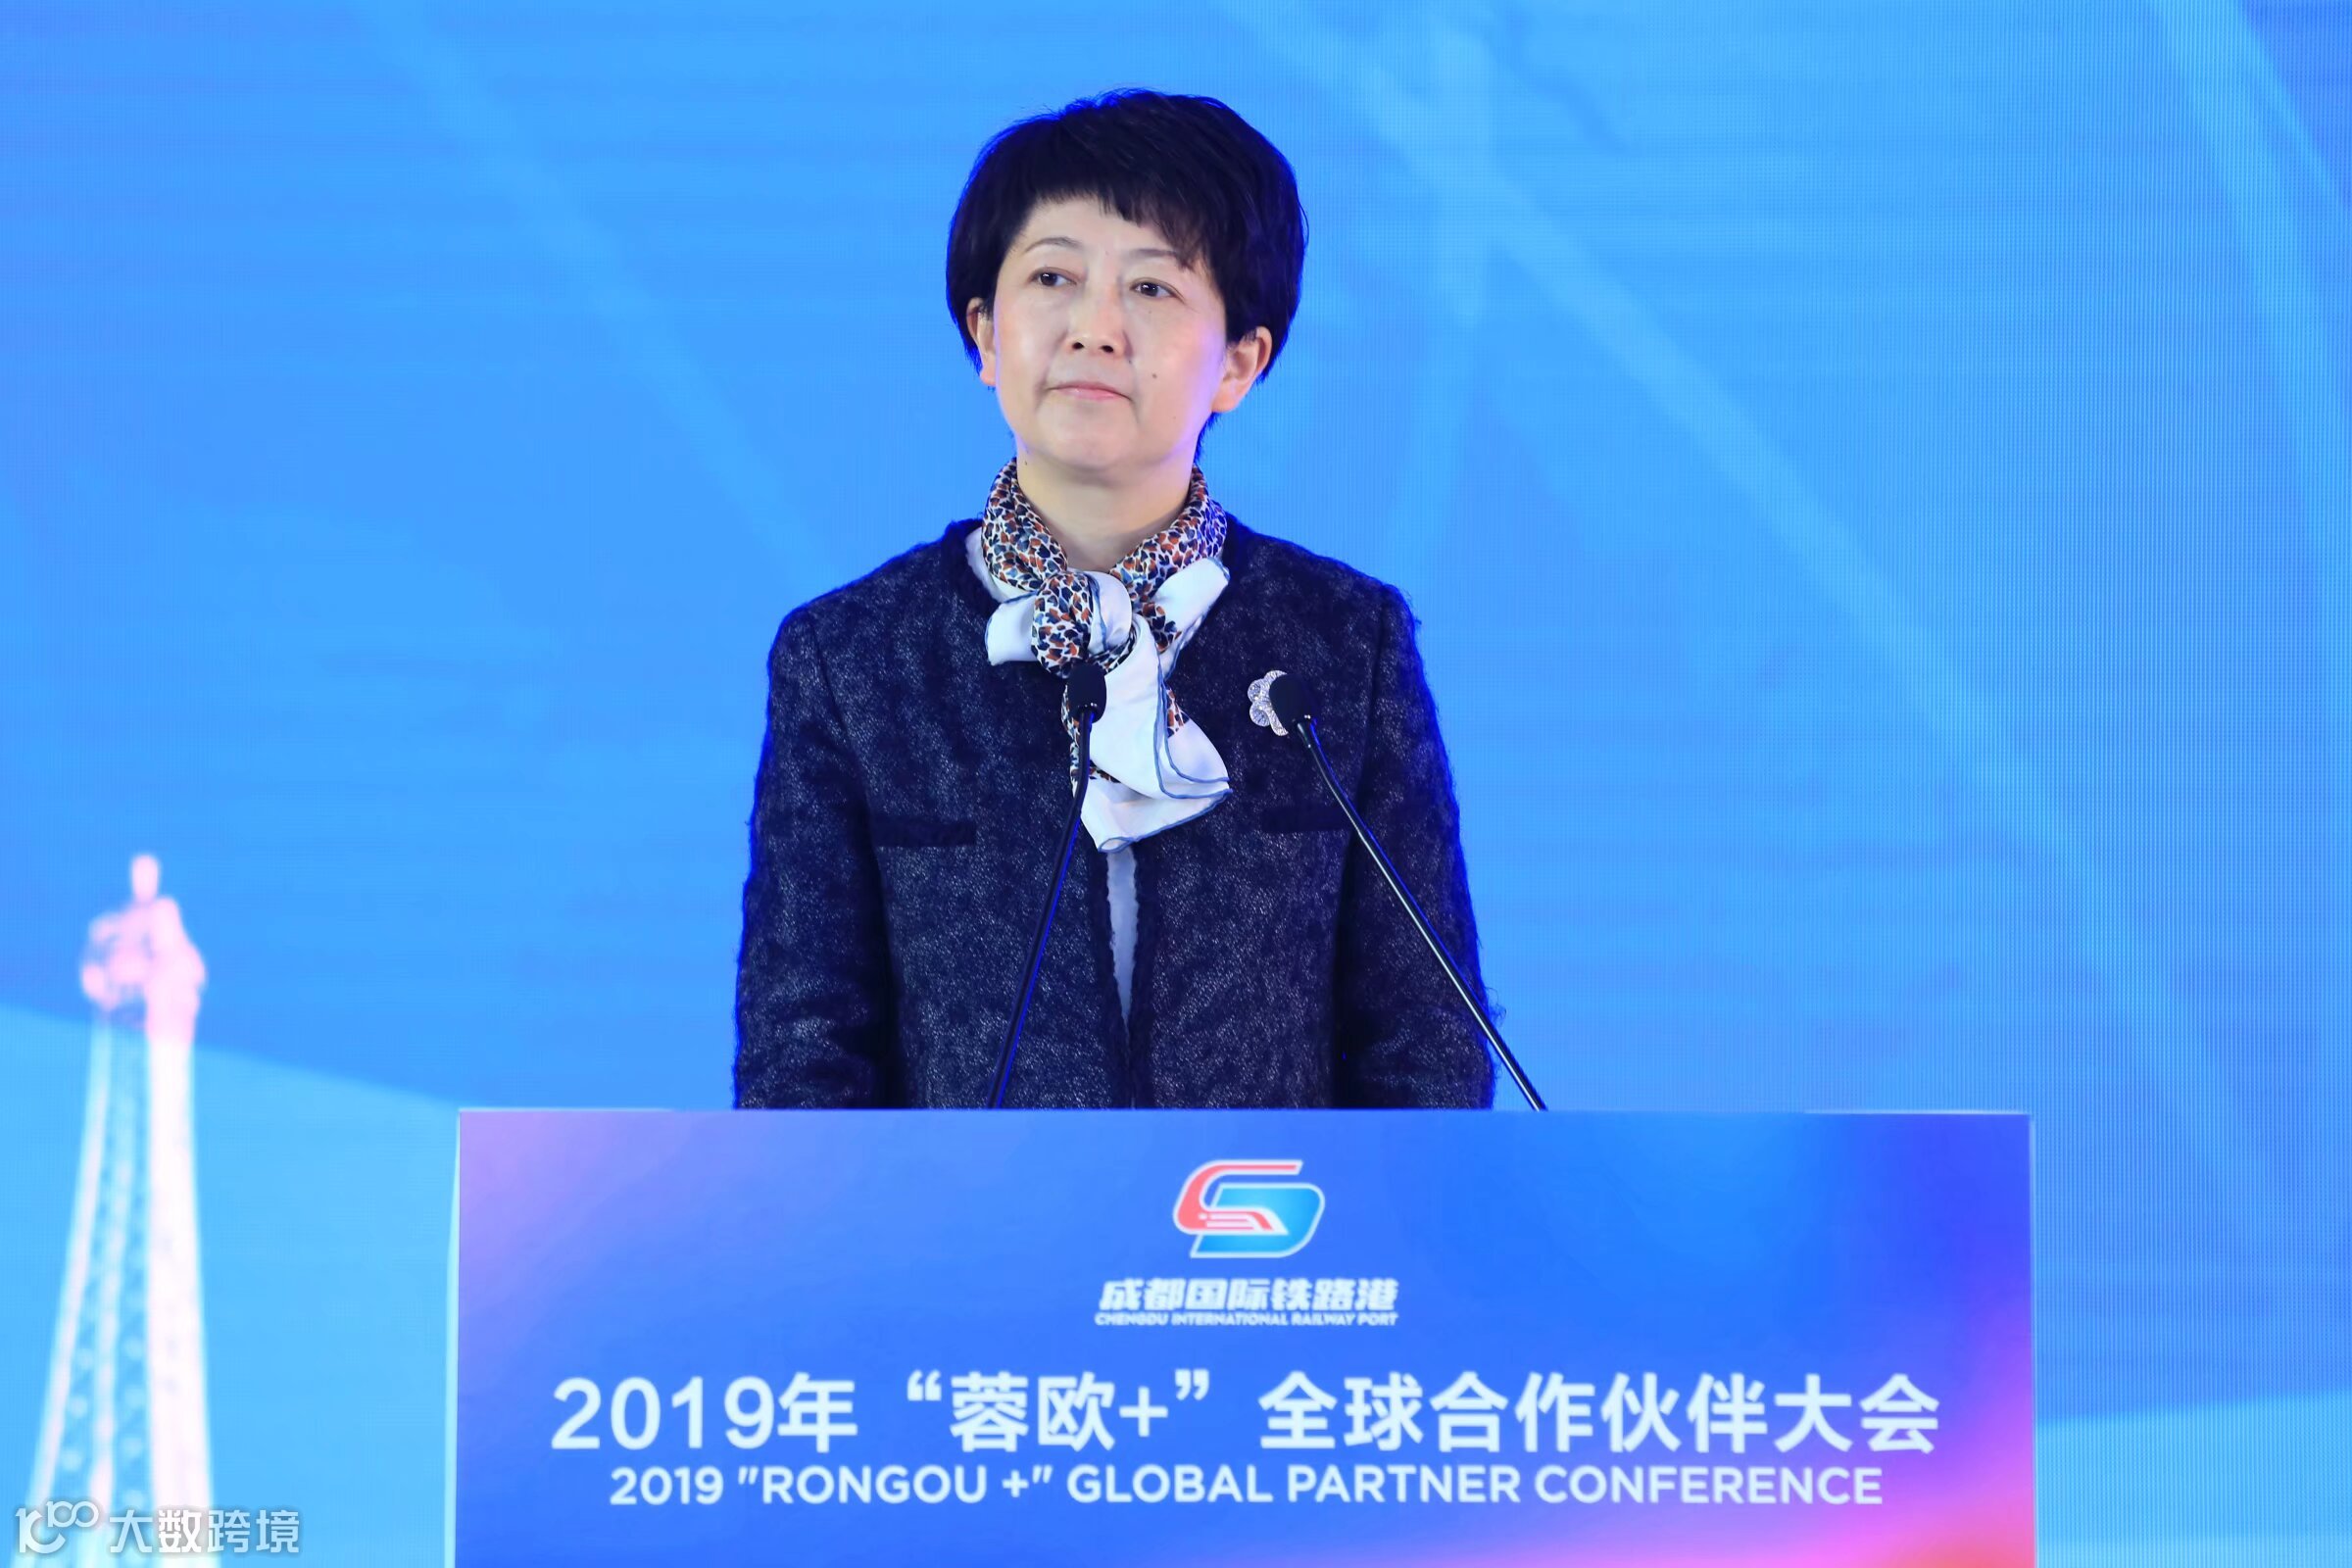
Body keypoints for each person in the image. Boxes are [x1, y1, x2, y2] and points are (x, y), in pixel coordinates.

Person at [734, 89, 1494, 1108]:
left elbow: (1427, 1047)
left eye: (1152, 287)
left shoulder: (1344, 645)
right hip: (969, 1218)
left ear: (1239, 363)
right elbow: (802, 1059)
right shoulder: (854, 658)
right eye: (1053, 277)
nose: (1095, 329)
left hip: (1258, 1212)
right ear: (985, 333)